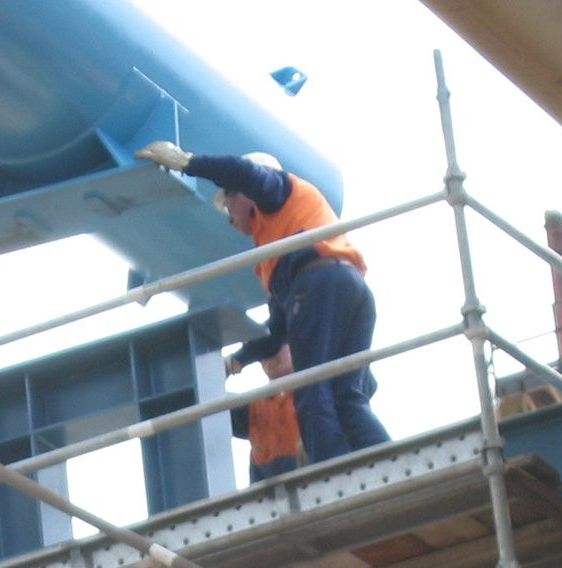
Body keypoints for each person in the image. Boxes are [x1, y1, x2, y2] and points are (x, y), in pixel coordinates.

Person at [135, 143, 389, 465]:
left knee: (311, 388)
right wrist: (235, 362)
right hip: (350, 290)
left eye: (229, 205)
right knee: (348, 396)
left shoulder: (275, 193)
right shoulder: (275, 244)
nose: (229, 218)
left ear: (244, 195)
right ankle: (390, 461)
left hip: (319, 285)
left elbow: (245, 173)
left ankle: (333, 469)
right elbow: (277, 331)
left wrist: (189, 163)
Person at [230, 346, 306, 482]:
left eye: (277, 346)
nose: (270, 356)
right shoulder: (252, 406)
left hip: (315, 484)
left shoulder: (317, 392)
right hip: (269, 494)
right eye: (264, 351)